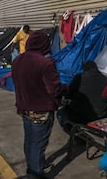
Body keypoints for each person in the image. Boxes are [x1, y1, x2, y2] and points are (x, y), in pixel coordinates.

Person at [12, 30, 66, 178]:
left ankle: (34, 167)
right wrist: (66, 88)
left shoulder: (17, 61)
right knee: (37, 145)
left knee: (29, 141)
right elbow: (54, 90)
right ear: (44, 44)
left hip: (24, 108)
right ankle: (35, 173)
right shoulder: (45, 63)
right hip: (41, 111)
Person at [57, 61, 107, 132]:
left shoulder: (79, 77)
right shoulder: (105, 79)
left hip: (83, 116)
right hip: (101, 115)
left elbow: (68, 95)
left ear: (84, 69)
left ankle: (74, 134)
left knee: (61, 113)